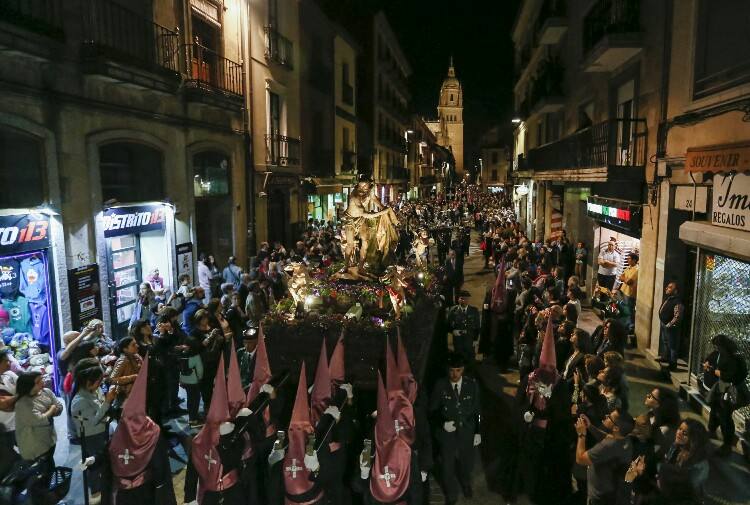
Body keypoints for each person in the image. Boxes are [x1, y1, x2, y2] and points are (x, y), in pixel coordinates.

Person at [429, 353, 480, 505]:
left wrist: (477, 432)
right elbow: (432, 411)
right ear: (447, 370)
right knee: (447, 467)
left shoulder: (471, 385)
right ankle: (451, 493)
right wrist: (442, 423)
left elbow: (477, 410)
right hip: (448, 433)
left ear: (463, 370)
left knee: (466, 463)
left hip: (467, 431)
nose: (454, 374)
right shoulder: (440, 385)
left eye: (458, 370)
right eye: (451, 370)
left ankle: (465, 483)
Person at [71, 361, 118, 504]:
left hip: (100, 433)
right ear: (88, 382)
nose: (100, 384)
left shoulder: (90, 393)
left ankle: (102, 486)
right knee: (95, 464)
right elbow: (93, 420)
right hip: (92, 436)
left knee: (100, 461)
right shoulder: (79, 401)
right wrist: (107, 402)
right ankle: (96, 491)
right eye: (98, 382)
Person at [575, 408, 634, 505]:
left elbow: (580, 459)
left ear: (616, 428)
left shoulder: (607, 446)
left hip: (599, 497)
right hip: (611, 492)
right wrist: (590, 426)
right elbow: (607, 436)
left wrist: (581, 434)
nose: (606, 416)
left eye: (609, 417)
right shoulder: (625, 439)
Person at [703, 333, 747, 456]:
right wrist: (707, 363)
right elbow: (711, 358)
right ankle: (711, 430)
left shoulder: (732, 358)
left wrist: (714, 371)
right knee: (715, 408)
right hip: (722, 388)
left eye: (716, 346)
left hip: (730, 390)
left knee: (725, 415)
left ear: (721, 346)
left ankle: (727, 445)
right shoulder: (721, 353)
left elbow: (728, 376)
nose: (715, 349)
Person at [14, 371, 62, 471]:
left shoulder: (46, 392)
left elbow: (59, 406)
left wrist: (51, 411)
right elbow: (40, 420)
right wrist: (52, 409)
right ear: (28, 385)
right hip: (35, 446)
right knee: (39, 475)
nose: (42, 382)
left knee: (49, 467)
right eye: (38, 381)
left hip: (48, 439)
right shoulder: (23, 403)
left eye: (42, 378)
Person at [644, 386, 680, 457]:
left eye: (651, 396)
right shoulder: (651, 414)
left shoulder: (665, 431)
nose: (647, 395)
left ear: (659, 404)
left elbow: (655, 454)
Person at [446, 291, 480, 364]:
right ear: (458, 299)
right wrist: (453, 331)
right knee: (458, 359)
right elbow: (447, 325)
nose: (464, 300)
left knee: (470, 358)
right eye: (462, 298)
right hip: (458, 340)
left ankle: (470, 373)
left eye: (466, 299)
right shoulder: (453, 310)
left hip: (469, 339)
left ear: (468, 299)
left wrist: (475, 339)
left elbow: (477, 326)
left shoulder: (474, 311)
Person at [658, 282, 684, 370]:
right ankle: (666, 357)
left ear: (675, 291)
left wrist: (669, 325)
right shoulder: (669, 299)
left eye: (670, 287)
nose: (666, 288)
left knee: (673, 345)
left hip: (671, 327)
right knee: (665, 341)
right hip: (664, 323)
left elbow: (677, 316)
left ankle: (673, 364)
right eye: (667, 287)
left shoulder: (677, 302)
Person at [109, 337, 142, 401]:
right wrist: (132, 377)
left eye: (136, 344)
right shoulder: (123, 360)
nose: (137, 346)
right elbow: (112, 380)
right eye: (133, 345)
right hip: (126, 396)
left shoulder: (136, 357)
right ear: (125, 349)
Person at [617, 252, 639, 332]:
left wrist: (624, 279)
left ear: (634, 260)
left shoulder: (636, 270)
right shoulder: (628, 267)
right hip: (623, 291)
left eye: (629, 258)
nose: (627, 260)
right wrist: (624, 279)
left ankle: (629, 328)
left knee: (629, 311)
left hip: (630, 294)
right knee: (622, 309)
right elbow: (620, 277)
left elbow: (629, 281)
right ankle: (622, 325)